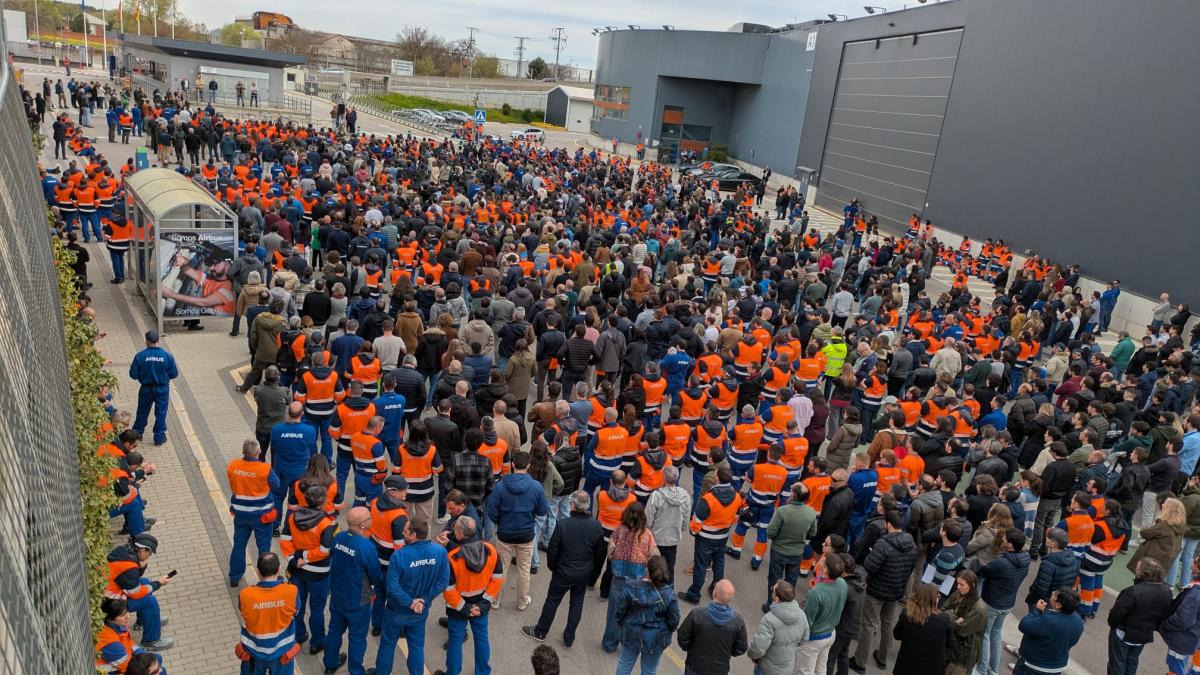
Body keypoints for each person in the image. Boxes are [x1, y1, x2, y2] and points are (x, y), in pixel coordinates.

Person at [522, 490, 606, 646]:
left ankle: (541, 631)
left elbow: (553, 550)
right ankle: (569, 638)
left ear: (573, 504)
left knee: (552, 601)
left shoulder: (563, 525)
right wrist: (592, 573)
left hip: (563, 571)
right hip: (583, 573)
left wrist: (554, 567)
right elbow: (600, 553)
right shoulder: (596, 526)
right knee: (576, 603)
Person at [374, 520, 450, 675]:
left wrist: (410, 602)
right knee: (416, 645)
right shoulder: (439, 552)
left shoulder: (399, 555)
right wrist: (424, 600)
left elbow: (392, 587)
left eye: (406, 531)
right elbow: (443, 581)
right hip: (420, 611)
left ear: (414, 534)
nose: (402, 532)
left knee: (387, 644)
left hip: (396, 610)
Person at [436, 516, 504, 675]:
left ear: (460, 533)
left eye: (455, 529)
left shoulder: (452, 557)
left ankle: (452, 673)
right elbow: (497, 579)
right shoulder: (491, 550)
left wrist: (465, 608)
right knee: (481, 639)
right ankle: (483, 672)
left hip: (457, 608)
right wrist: (483, 604)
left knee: (455, 641)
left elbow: (448, 588)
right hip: (481, 604)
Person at [850, 510, 915, 672]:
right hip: (895, 591)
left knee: (869, 625)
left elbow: (870, 567)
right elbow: (910, 569)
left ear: (888, 525)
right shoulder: (911, 545)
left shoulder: (883, 544)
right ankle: (882, 658)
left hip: (876, 591)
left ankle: (860, 662)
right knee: (887, 624)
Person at [486, 449, 549, 610]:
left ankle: (496, 600)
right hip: (526, 534)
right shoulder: (536, 487)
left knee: (502, 568)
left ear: (513, 465)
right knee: (524, 570)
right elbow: (542, 510)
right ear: (528, 466)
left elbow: (491, 510)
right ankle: (521, 601)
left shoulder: (500, 486)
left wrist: (500, 522)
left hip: (505, 533)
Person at [324, 507, 382, 675]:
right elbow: (374, 575)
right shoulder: (366, 547)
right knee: (357, 638)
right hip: (358, 600)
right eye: (370, 517)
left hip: (338, 595)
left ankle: (330, 663)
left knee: (334, 630)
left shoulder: (339, 537)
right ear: (363, 524)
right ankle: (356, 671)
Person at [279, 484, 336, 656]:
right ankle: (317, 642)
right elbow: (325, 551)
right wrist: (306, 556)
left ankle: (299, 634)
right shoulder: (326, 523)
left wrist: (294, 558)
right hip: (319, 573)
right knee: (317, 609)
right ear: (322, 502)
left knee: (298, 606)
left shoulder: (293, 517)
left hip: (297, 570)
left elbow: (285, 539)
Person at [680, 466, 744, 605]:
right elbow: (736, 517)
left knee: (701, 566)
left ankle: (694, 595)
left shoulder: (708, 498)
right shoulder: (737, 497)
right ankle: (715, 589)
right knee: (719, 564)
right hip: (722, 536)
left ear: (717, 478)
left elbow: (697, 519)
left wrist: (694, 532)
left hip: (705, 538)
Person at [601, 501, 659, 653]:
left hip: (619, 578)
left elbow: (611, 552)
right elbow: (654, 556)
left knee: (614, 612)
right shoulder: (647, 535)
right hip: (639, 581)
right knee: (634, 615)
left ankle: (609, 643)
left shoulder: (619, 531)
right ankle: (629, 644)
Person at [105, 534, 175, 651]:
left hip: (111, 592)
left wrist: (142, 566)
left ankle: (144, 621)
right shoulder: (130, 566)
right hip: (112, 603)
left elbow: (134, 577)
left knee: (145, 581)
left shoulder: (125, 550)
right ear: (142, 550)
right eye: (150, 552)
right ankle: (151, 641)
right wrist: (158, 583)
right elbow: (135, 593)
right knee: (150, 602)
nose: (150, 555)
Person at [976, 528, 1031, 675]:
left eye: (1005, 539)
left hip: (992, 602)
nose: (1003, 540)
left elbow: (984, 571)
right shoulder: (1025, 560)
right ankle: (993, 669)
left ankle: (981, 669)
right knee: (996, 633)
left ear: (1010, 544)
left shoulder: (1001, 563)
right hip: (1008, 603)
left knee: (985, 635)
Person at [613, 555, 681, 675]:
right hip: (656, 638)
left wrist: (621, 623)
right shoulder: (669, 594)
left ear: (647, 570)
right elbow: (674, 620)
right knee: (649, 670)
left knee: (625, 664)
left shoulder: (631, 586)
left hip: (631, 633)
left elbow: (620, 611)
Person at [227, 439, 279, 587]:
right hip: (262, 516)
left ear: (243, 451)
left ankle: (235, 577)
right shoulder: (264, 469)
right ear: (259, 452)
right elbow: (276, 484)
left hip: (241, 514)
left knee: (239, 544)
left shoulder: (233, 466)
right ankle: (266, 578)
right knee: (263, 548)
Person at [236, 552, 300, 674]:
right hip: (282, 654)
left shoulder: (245, 595)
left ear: (258, 571)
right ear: (279, 569)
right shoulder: (291, 591)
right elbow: (296, 611)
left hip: (253, 653)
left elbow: (242, 610)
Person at [1107, 558, 1172, 675]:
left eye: (1137, 568)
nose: (1136, 570)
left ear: (1142, 572)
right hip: (1143, 635)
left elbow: (1116, 614)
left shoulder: (1132, 592)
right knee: (1132, 661)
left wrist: (1113, 625)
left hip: (1124, 634)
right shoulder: (1167, 591)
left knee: (1117, 663)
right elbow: (1164, 615)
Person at [677, 579, 748, 675]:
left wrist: (690, 649)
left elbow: (682, 636)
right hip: (719, 670)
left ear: (714, 593)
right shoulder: (738, 621)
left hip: (695, 667)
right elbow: (741, 648)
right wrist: (727, 653)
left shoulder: (697, 614)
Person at [1011, 588, 1084, 675]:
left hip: (1034, 667)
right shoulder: (1078, 620)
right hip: (1056, 667)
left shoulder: (1050, 621)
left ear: (1058, 605)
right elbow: (1073, 641)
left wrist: (1037, 610)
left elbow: (1024, 625)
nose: (1052, 592)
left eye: (1055, 594)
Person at [800, 551, 848, 675]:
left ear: (826, 570)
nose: (821, 563)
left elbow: (807, 621)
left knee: (806, 671)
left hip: (815, 637)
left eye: (823, 563)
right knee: (821, 669)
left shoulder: (816, 593)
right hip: (831, 634)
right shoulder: (842, 584)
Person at [747, 580, 809, 675]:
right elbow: (804, 639)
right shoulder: (801, 615)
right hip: (787, 669)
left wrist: (752, 655)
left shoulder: (769, 619)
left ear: (777, 597)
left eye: (773, 590)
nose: (771, 590)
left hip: (766, 669)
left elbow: (758, 648)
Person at [129, 330, 178, 446]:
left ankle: (137, 433)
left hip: (146, 388)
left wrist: (144, 375)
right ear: (158, 341)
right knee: (161, 413)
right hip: (162, 389)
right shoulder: (167, 356)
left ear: (146, 341)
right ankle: (159, 437)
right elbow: (174, 374)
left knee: (142, 411)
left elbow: (133, 375)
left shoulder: (140, 356)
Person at [645, 465, 691, 586]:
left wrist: (647, 532)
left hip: (656, 538)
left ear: (664, 478)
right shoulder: (685, 496)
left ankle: (652, 590)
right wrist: (682, 530)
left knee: (653, 567)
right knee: (669, 568)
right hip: (673, 539)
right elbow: (686, 517)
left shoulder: (656, 496)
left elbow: (648, 518)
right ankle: (668, 593)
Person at [96, 598, 166, 673]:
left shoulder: (118, 625)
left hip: (126, 660)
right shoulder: (110, 642)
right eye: (122, 615)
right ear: (110, 619)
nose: (127, 617)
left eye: (127, 612)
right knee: (161, 670)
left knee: (157, 659)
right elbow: (125, 668)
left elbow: (130, 643)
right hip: (114, 670)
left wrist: (141, 654)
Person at [1160, 555, 1200, 675]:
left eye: (1196, 560)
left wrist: (1165, 625)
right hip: (1195, 637)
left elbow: (1183, 620)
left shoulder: (1195, 593)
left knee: (1175, 666)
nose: (1193, 560)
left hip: (1184, 639)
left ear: (1198, 569)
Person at [944, 570, 987, 675]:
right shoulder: (958, 594)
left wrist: (950, 616)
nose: (958, 587)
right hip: (951, 648)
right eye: (957, 583)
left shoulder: (979, 609)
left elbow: (961, 630)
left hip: (964, 657)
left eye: (962, 584)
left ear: (972, 585)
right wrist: (954, 617)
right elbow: (942, 611)